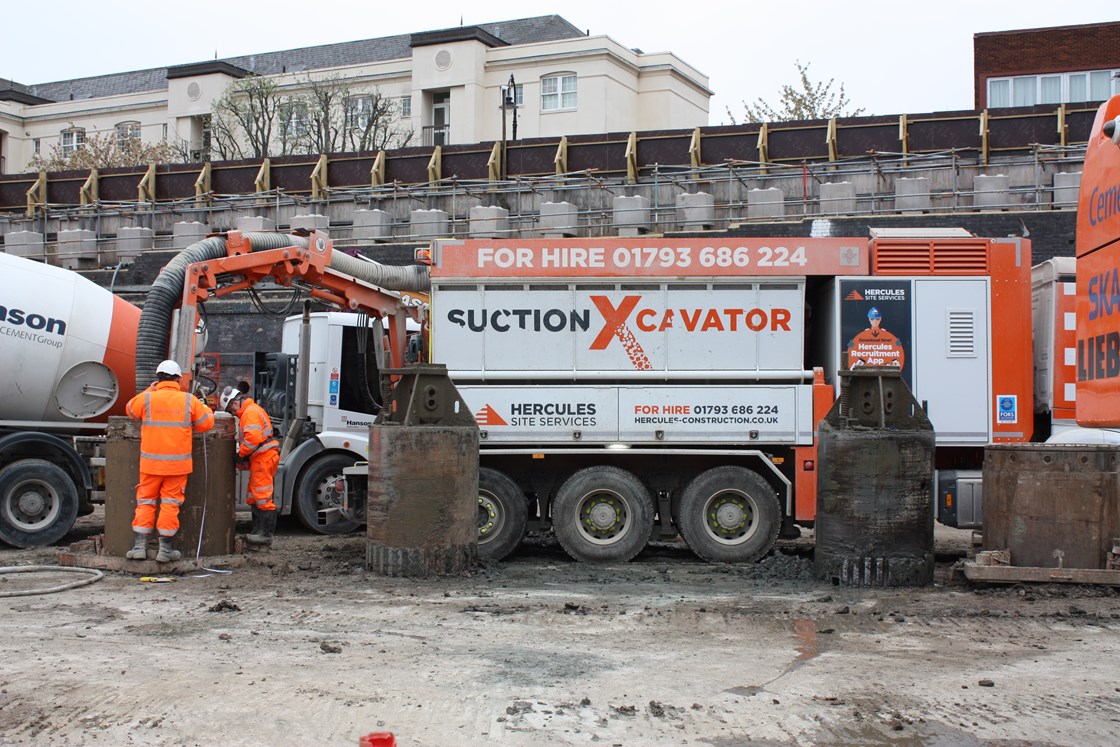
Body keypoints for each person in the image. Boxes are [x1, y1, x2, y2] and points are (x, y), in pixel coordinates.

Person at [125, 360, 215, 562]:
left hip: (150, 465)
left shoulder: (147, 398)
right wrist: (205, 408)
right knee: (170, 505)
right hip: (177, 466)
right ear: (178, 379)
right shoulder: (188, 400)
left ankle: (140, 547)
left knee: (145, 503)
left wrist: (151, 389)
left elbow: (130, 410)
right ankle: (164, 551)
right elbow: (206, 424)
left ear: (158, 378)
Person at [220, 382, 280, 546]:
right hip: (262, 457)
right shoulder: (251, 410)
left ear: (234, 402)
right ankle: (257, 531)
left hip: (263, 458)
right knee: (254, 496)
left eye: (231, 410)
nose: (233, 413)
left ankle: (265, 534)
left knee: (262, 496)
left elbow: (253, 439)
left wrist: (241, 454)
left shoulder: (249, 413)